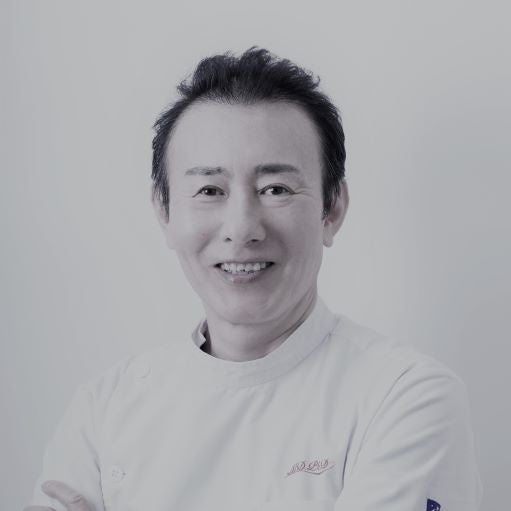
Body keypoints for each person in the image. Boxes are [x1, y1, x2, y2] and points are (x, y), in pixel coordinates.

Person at [24, 48, 483, 511]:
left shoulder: (406, 396)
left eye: (275, 189)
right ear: (164, 212)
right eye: (210, 190)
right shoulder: (103, 411)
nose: (242, 228)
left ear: (332, 209)